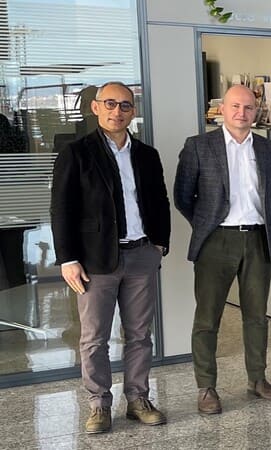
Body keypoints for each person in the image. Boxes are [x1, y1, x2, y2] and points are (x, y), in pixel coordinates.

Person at [51, 81, 170, 433]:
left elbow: (160, 201)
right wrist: (67, 258)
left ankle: (138, 399)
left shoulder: (147, 154)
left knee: (140, 335)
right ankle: (99, 404)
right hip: (94, 261)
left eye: (125, 105)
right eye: (110, 104)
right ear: (96, 107)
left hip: (141, 255)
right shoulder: (76, 153)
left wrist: (160, 244)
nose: (117, 111)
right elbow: (61, 209)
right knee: (94, 338)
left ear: (133, 111)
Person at [174, 84, 271, 415]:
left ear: (256, 112)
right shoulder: (198, 146)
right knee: (207, 318)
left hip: (257, 239)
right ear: (222, 109)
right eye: (235, 106)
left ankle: (257, 379)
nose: (242, 112)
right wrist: (207, 224)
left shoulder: (267, 148)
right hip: (215, 240)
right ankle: (206, 387)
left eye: (249, 107)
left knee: (257, 316)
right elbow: (183, 196)